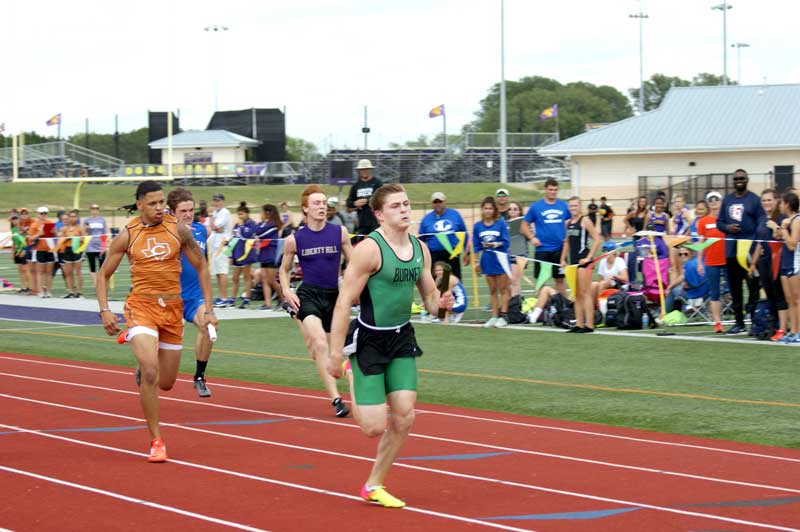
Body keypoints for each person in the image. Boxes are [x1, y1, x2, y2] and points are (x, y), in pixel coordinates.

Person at [327, 183, 451, 508]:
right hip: (368, 339)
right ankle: (351, 371)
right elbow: (344, 303)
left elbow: (430, 303)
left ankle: (373, 485)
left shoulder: (420, 249)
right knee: (372, 427)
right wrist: (335, 352)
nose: (405, 210)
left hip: (401, 338)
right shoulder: (369, 249)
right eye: (396, 206)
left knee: (405, 417)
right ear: (379, 214)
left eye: (407, 203)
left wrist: (444, 302)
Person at [97, 180, 217, 462]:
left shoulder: (178, 229)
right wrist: (104, 310)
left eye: (162, 202)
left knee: (166, 383)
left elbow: (202, 266)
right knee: (149, 372)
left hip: (172, 309)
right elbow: (103, 274)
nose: (159, 208)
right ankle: (156, 440)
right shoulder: (129, 234)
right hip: (141, 306)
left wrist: (209, 309)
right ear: (139, 204)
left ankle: (140, 343)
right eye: (152, 203)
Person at [279, 185, 354, 418]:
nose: (322, 207)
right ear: (305, 209)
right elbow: (284, 269)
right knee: (320, 344)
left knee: (332, 353)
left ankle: (295, 317)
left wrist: (353, 287)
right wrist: (287, 291)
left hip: (334, 296)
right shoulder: (295, 239)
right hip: (308, 295)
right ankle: (336, 400)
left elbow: (354, 262)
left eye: (324, 203)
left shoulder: (339, 232)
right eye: (316, 203)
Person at [166, 188, 216, 397]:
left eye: (191, 210)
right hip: (170, 297)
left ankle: (199, 377)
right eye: (183, 211)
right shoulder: (165, 233)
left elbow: (203, 264)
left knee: (209, 326)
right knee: (162, 348)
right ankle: (147, 365)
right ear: (172, 212)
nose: (188, 214)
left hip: (194, 298)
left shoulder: (201, 230)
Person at [716, 169, 764, 334]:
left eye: (742, 178)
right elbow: (719, 222)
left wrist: (757, 239)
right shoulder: (727, 200)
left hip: (749, 251)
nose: (739, 181)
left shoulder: (754, 200)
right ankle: (739, 322)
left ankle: (755, 320)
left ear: (747, 179)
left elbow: (761, 221)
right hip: (731, 250)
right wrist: (727, 227)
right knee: (735, 288)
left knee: (753, 287)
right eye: (736, 178)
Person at [750, 189, 788, 341]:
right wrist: (753, 263)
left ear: (776, 200)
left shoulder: (782, 217)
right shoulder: (761, 219)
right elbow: (760, 242)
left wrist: (775, 227)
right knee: (769, 294)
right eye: (764, 200)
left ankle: (783, 328)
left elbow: (782, 238)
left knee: (780, 294)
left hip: (779, 260)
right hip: (764, 262)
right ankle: (773, 324)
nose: (766, 203)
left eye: (769, 200)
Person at [560, 196, 602, 333]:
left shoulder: (585, 220)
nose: (573, 208)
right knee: (576, 293)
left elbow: (597, 239)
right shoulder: (567, 223)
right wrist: (563, 259)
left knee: (586, 293)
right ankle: (578, 324)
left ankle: (589, 325)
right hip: (573, 263)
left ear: (580, 206)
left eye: (575, 205)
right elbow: (566, 242)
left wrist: (588, 258)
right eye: (571, 206)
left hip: (584, 262)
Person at [524, 177, 570, 296]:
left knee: (560, 281)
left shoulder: (563, 206)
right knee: (541, 281)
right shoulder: (536, 206)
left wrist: (566, 233)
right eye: (550, 189)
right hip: (542, 249)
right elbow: (523, 226)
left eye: (555, 190)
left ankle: (563, 308)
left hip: (559, 250)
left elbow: (571, 220)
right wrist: (532, 238)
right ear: (545, 189)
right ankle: (542, 309)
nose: (553, 192)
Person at [473, 196, 511, 328]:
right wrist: (476, 262)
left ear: (494, 210)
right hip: (487, 260)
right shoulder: (478, 226)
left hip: (500, 259)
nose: (488, 211)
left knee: (503, 288)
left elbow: (506, 242)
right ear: (482, 210)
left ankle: (504, 316)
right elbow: (476, 246)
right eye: (485, 208)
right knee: (493, 290)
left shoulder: (500, 223)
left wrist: (495, 244)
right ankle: (494, 316)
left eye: (490, 208)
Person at [418, 191, 467, 279]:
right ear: (432, 204)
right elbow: (421, 240)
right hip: (435, 255)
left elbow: (464, 233)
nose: (438, 204)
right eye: (435, 202)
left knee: (455, 282)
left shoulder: (455, 214)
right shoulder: (426, 219)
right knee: (438, 284)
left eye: (440, 202)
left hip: (452, 254)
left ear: (445, 202)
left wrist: (468, 252)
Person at [696, 194, 726, 333]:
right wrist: (699, 262)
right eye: (711, 200)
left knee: (733, 287)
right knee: (714, 292)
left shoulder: (727, 218)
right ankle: (717, 322)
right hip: (711, 260)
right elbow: (701, 242)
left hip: (727, 259)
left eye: (716, 200)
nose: (714, 202)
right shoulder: (703, 221)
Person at [777, 192, 800, 344]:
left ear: (787, 204)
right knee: (790, 300)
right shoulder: (787, 220)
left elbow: (792, 245)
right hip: (786, 263)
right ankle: (793, 331)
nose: (780, 206)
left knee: (797, 299)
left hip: (795, 263)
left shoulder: (797, 220)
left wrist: (784, 230)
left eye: (781, 203)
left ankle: (799, 332)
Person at [346, 159, 384, 241]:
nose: (364, 171)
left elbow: (383, 198)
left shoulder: (377, 183)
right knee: (360, 243)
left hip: (376, 221)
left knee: (377, 242)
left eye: (366, 169)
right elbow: (348, 202)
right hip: (362, 222)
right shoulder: (356, 186)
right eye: (362, 169)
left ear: (370, 170)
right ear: (359, 171)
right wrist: (355, 203)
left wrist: (370, 201)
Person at [254, 204, 283, 310]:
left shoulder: (273, 224)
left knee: (271, 280)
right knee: (265, 280)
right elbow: (258, 231)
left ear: (267, 213)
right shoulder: (264, 224)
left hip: (271, 255)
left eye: (261, 212)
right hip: (263, 254)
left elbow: (260, 234)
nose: (260, 214)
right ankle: (268, 303)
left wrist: (257, 228)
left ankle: (283, 299)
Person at [230, 202, 258, 309]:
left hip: (247, 254)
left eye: (241, 214)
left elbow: (247, 236)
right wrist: (230, 255)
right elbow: (233, 239)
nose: (240, 216)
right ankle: (232, 298)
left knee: (246, 277)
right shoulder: (237, 225)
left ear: (247, 214)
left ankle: (247, 299)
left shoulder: (252, 225)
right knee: (235, 277)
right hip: (237, 253)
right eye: (239, 214)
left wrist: (241, 226)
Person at [665, 248, 708, 312]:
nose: (683, 256)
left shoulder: (690, 264)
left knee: (672, 291)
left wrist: (670, 287)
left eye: (685, 254)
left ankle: (664, 314)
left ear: (692, 253)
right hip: (706, 291)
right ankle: (688, 307)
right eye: (680, 254)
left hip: (697, 292)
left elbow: (683, 278)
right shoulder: (700, 261)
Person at [209, 193, 233, 308]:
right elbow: (213, 227)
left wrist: (212, 219)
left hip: (223, 244)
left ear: (222, 201)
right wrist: (215, 226)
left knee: (223, 271)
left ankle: (224, 298)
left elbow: (215, 226)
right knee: (218, 271)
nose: (215, 203)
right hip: (216, 244)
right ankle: (221, 296)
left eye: (218, 200)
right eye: (214, 200)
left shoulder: (225, 212)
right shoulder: (216, 213)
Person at [27, 206, 56, 298]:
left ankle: (48, 290)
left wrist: (54, 232)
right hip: (39, 249)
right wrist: (38, 234)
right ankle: (40, 291)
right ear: (38, 214)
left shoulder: (50, 223)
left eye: (45, 213)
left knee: (49, 271)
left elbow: (55, 237)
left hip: (50, 249)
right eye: (41, 213)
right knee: (40, 271)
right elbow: (30, 238)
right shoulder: (34, 225)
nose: (43, 215)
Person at [58, 209, 86, 298]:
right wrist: (65, 238)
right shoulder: (64, 228)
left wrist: (76, 238)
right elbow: (60, 240)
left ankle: (79, 292)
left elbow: (84, 239)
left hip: (77, 249)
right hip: (67, 250)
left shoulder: (80, 228)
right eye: (71, 216)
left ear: (77, 218)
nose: (72, 218)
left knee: (78, 272)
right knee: (68, 272)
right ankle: (71, 292)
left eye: (74, 216)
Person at [506, 201, 530, 298]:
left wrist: (525, 230)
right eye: (510, 209)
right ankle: (513, 303)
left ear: (519, 211)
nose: (512, 211)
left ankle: (515, 305)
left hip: (520, 255)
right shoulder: (504, 224)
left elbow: (529, 238)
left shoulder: (524, 223)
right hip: (507, 255)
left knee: (515, 281)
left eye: (515, 209)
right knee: (509, 282)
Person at [82, 203, 108, 288]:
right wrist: (86, 229)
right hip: (90, 246)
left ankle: (101, 284)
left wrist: (104, 247)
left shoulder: (102, 220)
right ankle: (96, 285)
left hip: (100, 246)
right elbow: (83, 233)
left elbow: (105, 233)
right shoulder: (87, 220)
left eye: (96, 208)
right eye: (93, 208)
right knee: (92, 266)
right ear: (90, 210)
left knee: (102, 267)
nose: (95, 210)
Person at [9, 213, 31, 293]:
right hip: (17, 251)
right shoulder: (13, 229)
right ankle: (23, 287)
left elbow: (27, 240)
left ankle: (29, 287)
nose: (15, 221)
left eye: (16, 219)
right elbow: (14, 242)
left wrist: (24, 250)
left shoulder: (23, 229)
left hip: (23, 250)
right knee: (20, 270)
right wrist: (12, 252)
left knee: (26, 269)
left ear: (19, 219)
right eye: (13, 219)